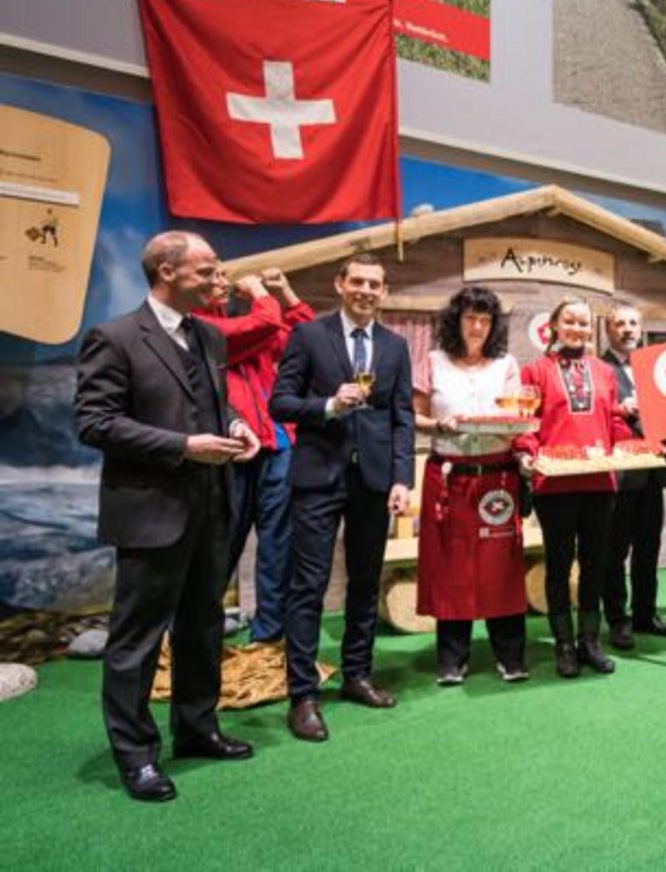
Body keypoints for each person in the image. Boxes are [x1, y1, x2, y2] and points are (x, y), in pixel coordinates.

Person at [75, 231, 260, 802]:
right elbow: (94, 422)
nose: (218, 281)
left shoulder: (207, 335)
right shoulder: (115, 337)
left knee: (203, 624)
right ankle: (136, 756)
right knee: (136, 639)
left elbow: (213, 402)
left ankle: (198, 728)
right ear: (165, 270)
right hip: (151, 512)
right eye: (206, 271)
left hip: (211, 506)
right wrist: (184, 445)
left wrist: (233, 426)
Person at [270, 254, 414, 743]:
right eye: (357, 282)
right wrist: (329, 405)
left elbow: (402, 418)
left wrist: (402, 478)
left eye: (375, 284)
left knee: (365, 580)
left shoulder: (394, 346)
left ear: (384, 291)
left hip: (374, 481)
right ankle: (303, 695)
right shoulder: (310, 336)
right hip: (319, 476)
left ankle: (357, 675)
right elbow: (280, 401)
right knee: (308, 585)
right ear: (340, 284)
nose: (366, 290)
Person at [412, 287, 529, 686]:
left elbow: (516, 417)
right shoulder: (433, 361)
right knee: (451, 565)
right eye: (470, 318)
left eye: (485, 320)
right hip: (449, 475)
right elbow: (414, 416)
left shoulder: (507, 364)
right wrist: (438, 425)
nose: (477, 327)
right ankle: (451, 658)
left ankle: (510, 654)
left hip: (498, 476)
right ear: (455, 320)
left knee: (502, 567)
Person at [515, 297, 633, 678]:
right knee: (559, 565)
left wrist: (628, 443)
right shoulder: (534, 372)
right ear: (554, 326)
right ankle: (563, 645)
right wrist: (526, 454)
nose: (578, 329)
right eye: (570, 321)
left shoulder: (604, 372)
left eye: (584, 323)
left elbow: (612, 420)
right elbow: (526, 422)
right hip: (555, 484)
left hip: (600, 482)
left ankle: (590, 641)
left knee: (596, 564)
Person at [194, 266, 313, 644]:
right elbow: (262, 325)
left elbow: (305, 340)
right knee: (219, 546)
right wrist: (261, 294)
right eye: (212, 278)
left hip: (277, 445)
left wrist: (288, 295)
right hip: (231, 453)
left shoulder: (246, 328)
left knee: (278, 545)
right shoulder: (198, 328)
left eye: (223, 276)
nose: (223, 284)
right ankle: (196, 639)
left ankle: (268, 638)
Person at [599, 304, 666, 650]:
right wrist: (620, 408)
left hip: (652, 472)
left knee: (649, 548)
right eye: (620, 324)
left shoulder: (652, 368)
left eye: (633, 323)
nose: (627, 329)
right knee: (615, 553)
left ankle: (646, 614)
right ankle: (617, 620)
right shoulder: (600, 370)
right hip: (619, 474)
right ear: (608, 330)